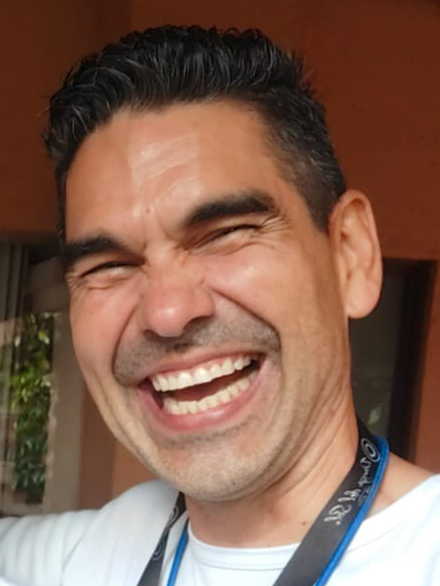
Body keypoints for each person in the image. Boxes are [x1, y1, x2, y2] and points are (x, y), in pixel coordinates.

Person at [0, 25, 439, 586]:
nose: (167, 313)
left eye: (225, 234)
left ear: (349, 256)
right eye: (108, 265)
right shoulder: (104, 545)